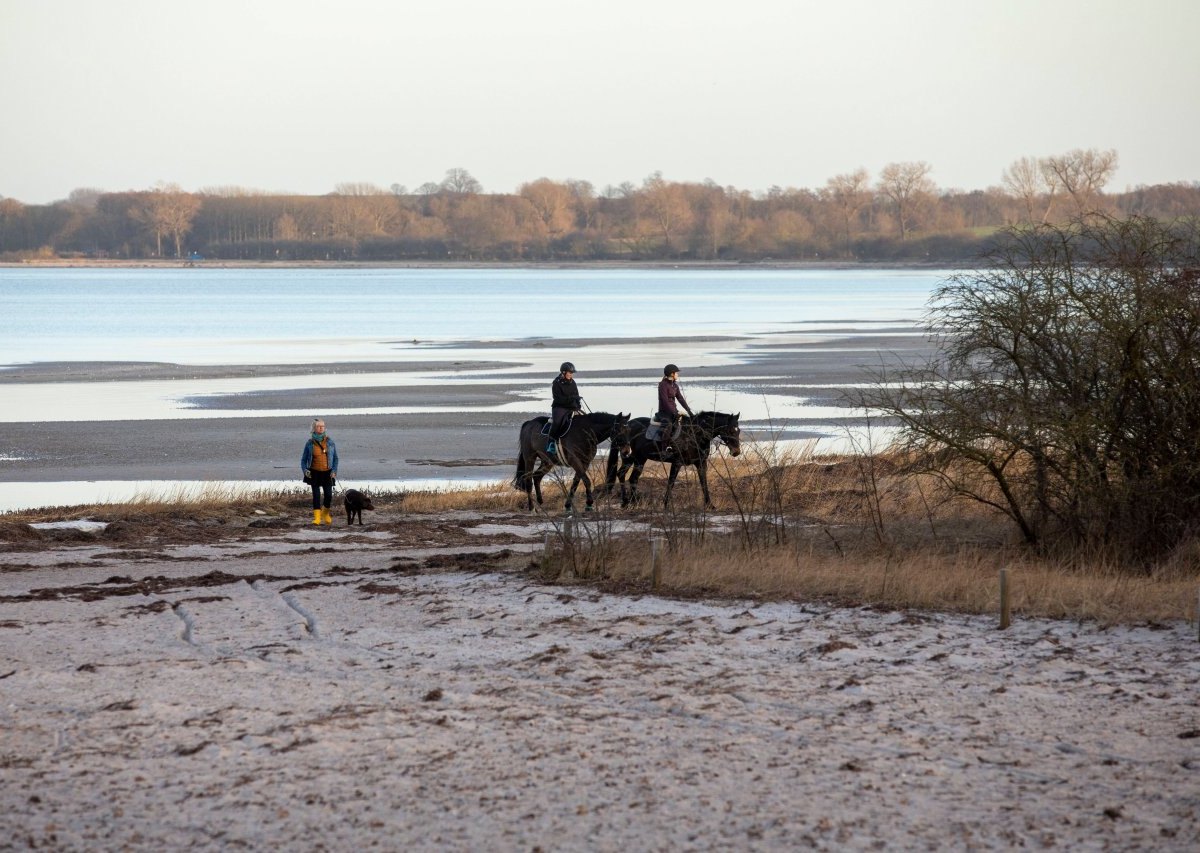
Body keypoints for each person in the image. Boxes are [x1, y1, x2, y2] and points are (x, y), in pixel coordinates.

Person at [300, 418, 338, 525]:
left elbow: (336, 458)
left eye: (323, 426)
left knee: (329, 495)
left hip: (328, 472)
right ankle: (317, 518)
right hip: (314, 473)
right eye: (318, 426)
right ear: (314, 428)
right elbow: (303, 460)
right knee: (316, 496)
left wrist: (334, 470)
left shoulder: (330, 442)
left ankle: (325, 514)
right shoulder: (309, 443)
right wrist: (305, 470)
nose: (321, 428)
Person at [656, 363, 693, 456]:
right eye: (676, 373)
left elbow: (680, 398)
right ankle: (663, 448)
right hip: (664, 412)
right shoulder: (663, 385)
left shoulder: (675, 385)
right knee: (668, 425)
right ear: (672, 374)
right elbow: (664, 401)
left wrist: (689, 411)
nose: (677, 374)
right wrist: (673, 412)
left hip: (673, 411)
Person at [546, 361, 582, 456]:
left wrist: (578, 403)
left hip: (571, 407)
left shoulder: (573, 382)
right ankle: (551, 443)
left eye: (572, 373)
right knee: (557, 422)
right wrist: (571, 399)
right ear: (563, 372)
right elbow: (558, 399)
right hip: (559, 407)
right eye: (570, 373)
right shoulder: (556, 383)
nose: (571, 375)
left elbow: (576, 394)